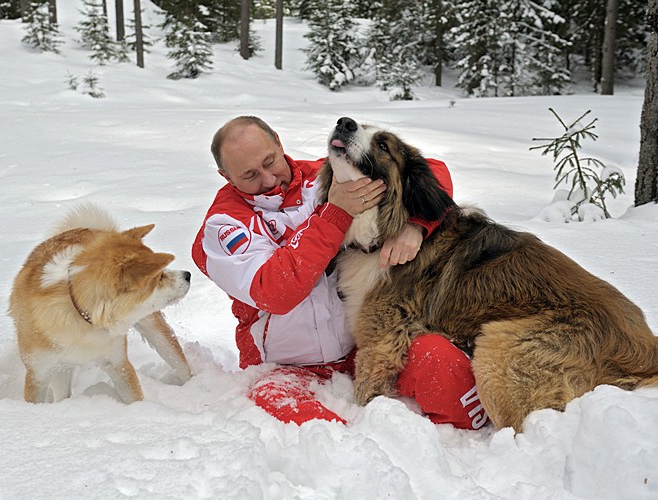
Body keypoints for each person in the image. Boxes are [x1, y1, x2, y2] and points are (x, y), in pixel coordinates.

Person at [191, 116, 488, 430]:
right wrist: (336, 212)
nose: (268, 179)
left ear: (279, 142)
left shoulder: (323, 173)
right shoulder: (223, 226)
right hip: (286, 369)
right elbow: (275, 292)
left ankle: (458, 446)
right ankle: (353, 460)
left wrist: (418, 225)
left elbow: (429, 170)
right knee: (310, 427)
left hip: (362, 348)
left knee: (441, 363)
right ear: (226, 176)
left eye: (270, 161)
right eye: (250, 174)